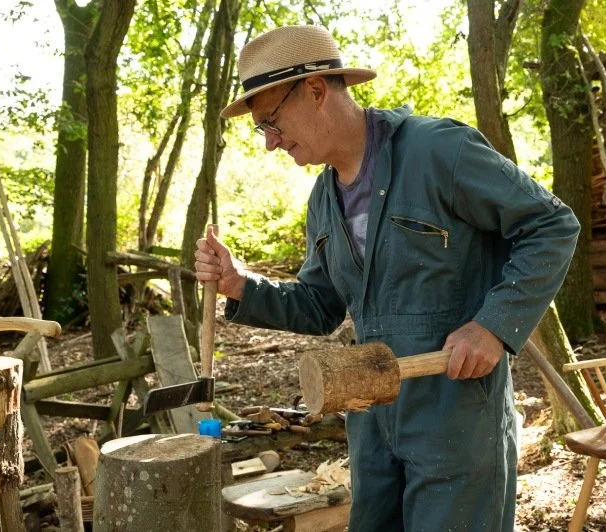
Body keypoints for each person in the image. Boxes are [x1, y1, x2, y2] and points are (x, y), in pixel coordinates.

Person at [195, 25, 579, 532]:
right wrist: (242, 285)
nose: (269, 142)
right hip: (372, 417)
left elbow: (551, 225)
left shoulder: (438, 151)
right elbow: (320, 306)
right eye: (259, 128)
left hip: (455, 412)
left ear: (313, 90)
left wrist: (493, 327)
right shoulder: (322, 200)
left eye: (271, 120)